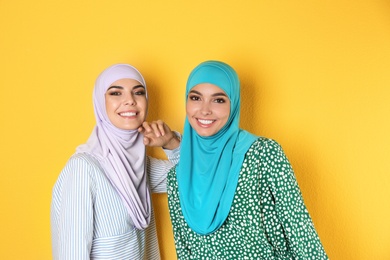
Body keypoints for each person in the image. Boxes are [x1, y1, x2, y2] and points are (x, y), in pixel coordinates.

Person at [167, 60, 328, 259]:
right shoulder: (176, 178)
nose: (205, 110)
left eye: (218, 100)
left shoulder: (263, 154)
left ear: (233, 103)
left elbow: (299, 229)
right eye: (195, 98)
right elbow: (184, 252)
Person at [51, 63, 180, 259]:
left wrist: (171, 142)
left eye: (138, 92)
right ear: (100, 103)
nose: (130, 101)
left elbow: (193, 180)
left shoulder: (138, 165)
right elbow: (72, 253)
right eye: (115, 93)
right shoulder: (84, 168)